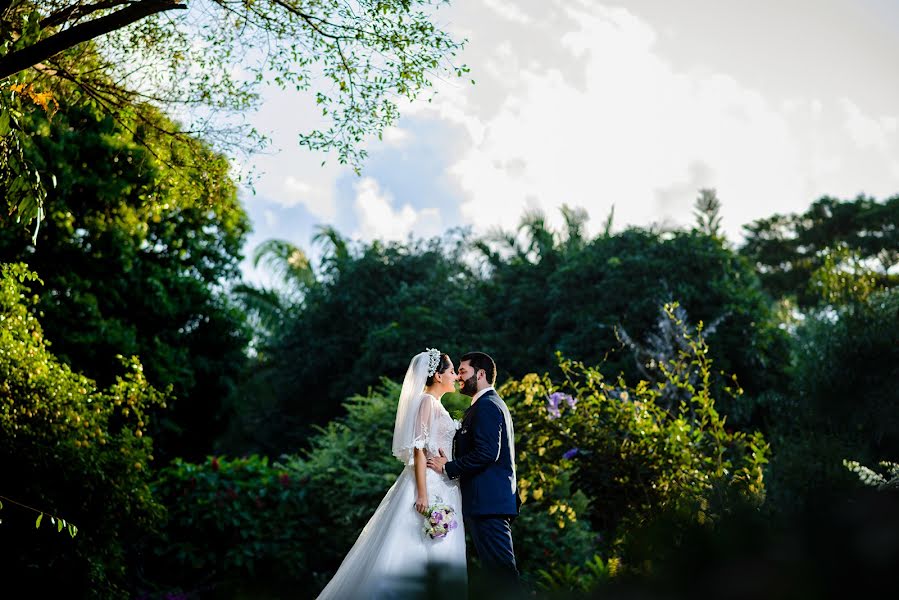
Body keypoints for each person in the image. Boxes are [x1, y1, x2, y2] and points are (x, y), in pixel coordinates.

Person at [316, 349, 466, 599]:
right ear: (438, 376)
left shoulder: (435, 403)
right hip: (430, 484)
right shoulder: (427, 401)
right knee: (416, 548)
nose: (455, 377)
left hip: (443, 483)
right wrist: (422, 493)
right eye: (451, 371)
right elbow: (419, 450)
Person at [427, 351, 520, 588]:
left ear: (480, 374)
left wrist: (449, 467)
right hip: (486, 503)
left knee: (503, 575)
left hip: (488, 504)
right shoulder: (483, 405)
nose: (458, 377)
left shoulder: (488, 406)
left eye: (463, 371)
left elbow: (488, 453)